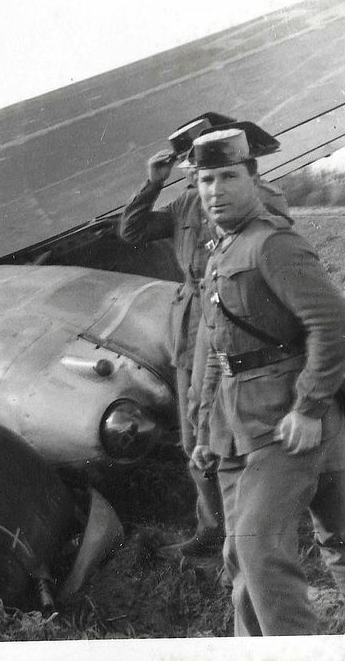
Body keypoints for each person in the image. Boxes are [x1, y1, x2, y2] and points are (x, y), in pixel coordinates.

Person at [188, 124, 345, 635]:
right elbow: (219, 349)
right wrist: (206, 431)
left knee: (260, 552)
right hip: (242, 421)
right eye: (206, 180)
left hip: (283, 421)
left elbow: (335, 323)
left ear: (254, 178)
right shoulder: (224, 249)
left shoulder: (271, 245)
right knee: (244, 554)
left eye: (228, 177)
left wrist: (309, 406)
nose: (215, 191)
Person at [118, 113, 289, 557]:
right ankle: (214, 528)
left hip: (234, 314)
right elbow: (131, 231)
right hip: (190, 320)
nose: (202, 176)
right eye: (195, 168)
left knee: (235, 420)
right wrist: (152, 183)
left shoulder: (257, 196)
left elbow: (274, 233)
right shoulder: (183, 206)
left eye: (212, 166)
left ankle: (255, 523)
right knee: (193, 428)